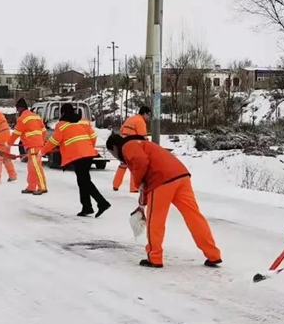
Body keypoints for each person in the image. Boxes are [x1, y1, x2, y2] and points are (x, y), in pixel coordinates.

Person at [106, 133, 222, 269]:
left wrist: (138, 182)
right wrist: (142, 200)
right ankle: (213, 254)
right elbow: (144, 167)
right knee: (194, 216)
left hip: (161, 179)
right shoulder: (142, 143)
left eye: (112, 153)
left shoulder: (127, 146)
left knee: (155, 220)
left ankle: (154, 257)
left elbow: (140, 160)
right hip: (181, 175)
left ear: (114, 147)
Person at [41, 103, 111, 217]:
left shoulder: (61, 125)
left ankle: (102, 203)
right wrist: (88, 147)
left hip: (77, 156)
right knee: (83, 180)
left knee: (84, 181)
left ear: (62, 113)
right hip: (88, 154)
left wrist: (42, 152)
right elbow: (93, 136)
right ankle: (87, 207)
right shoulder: (83, 121)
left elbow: (54, 141)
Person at [8, 98, 47, 194]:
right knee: (31, 167)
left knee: (36, 167)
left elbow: (16, 133)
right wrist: (42, 141)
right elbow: (44, 130)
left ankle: (42, 187)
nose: (17, 111)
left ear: (20, 108)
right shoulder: (36, 116)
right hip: (36, 145)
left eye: (17, 109)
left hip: (33, 146)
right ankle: (31, 186)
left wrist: (8, 143)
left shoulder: (22, 119)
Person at [113, 106, 151, 192]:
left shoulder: (130, 119)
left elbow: (121, 130)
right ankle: (133, 187)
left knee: (123, 164)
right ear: (144, 113)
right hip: (133, 146)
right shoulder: (140, 121)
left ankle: (116, 184)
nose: (148, 117)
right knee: (135, 166)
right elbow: (143, 137)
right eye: (148, 115)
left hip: (123, 145)